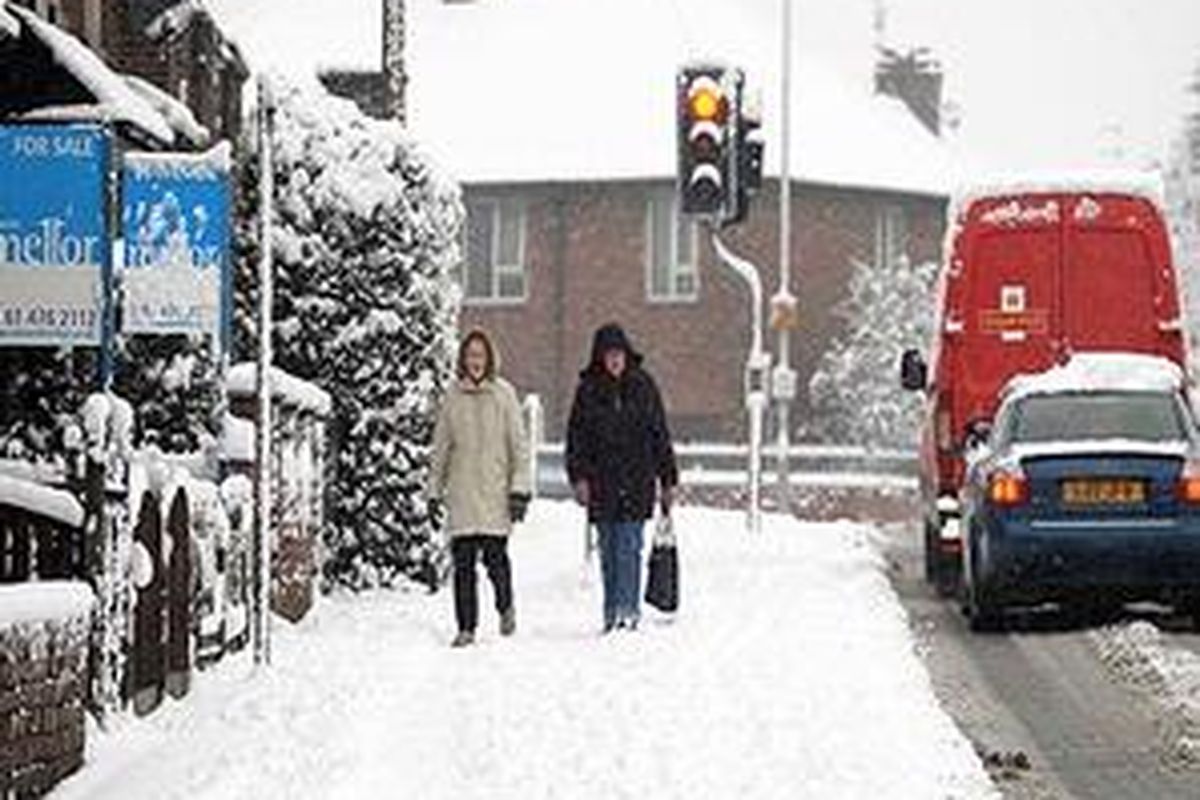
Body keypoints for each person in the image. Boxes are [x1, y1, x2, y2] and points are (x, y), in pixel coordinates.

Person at [567, 323, 678, 632]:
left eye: (618, 354)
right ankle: (612, 611)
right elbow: (576, 438)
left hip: (636, 480)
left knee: (629, 546)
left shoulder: (643, 386)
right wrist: (579, 477)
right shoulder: (588, 391)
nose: (614, 360)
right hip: (602, 484)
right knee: (608, 549)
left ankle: (628, 612)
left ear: (627, 354)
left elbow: (659, 434)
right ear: (599, 357)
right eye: (609, 355)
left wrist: (668, 479)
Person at [428, 328, 532, 648]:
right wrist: (434, 492)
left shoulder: (504, 395)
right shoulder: (452, 398)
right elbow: (441, 448)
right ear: (463, 359)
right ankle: (466, 627)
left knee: (495, 561)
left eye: (481, 355)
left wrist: (519, 490)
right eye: (471, 355)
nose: (476, 361)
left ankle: (505, 606)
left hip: (494, 495)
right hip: (462, 495)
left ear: (489, 359)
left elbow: (519, 448)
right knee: (463, 566)